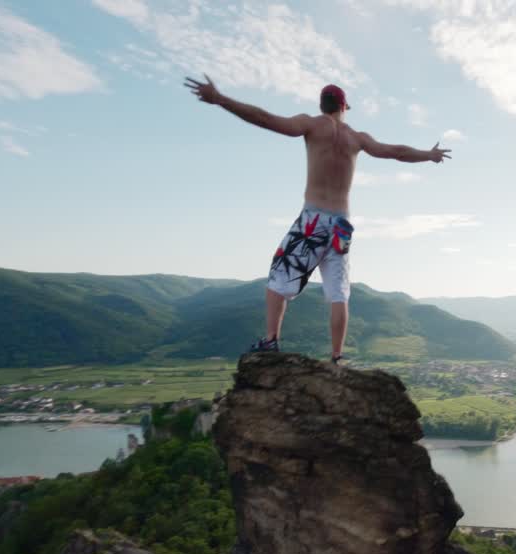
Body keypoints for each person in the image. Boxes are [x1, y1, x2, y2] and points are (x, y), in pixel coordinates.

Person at [184, 74, 452, 363]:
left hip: (313, 220)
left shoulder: (311, 125)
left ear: (322, 105)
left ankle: (271, 340)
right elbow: (396, 152)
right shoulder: (357, 138)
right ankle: (337, 357)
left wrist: (221, 99)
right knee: (338, 292)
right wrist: (429, 154)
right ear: (344, 107)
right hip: (341, 224)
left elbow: (265, 118)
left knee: (278, 277)